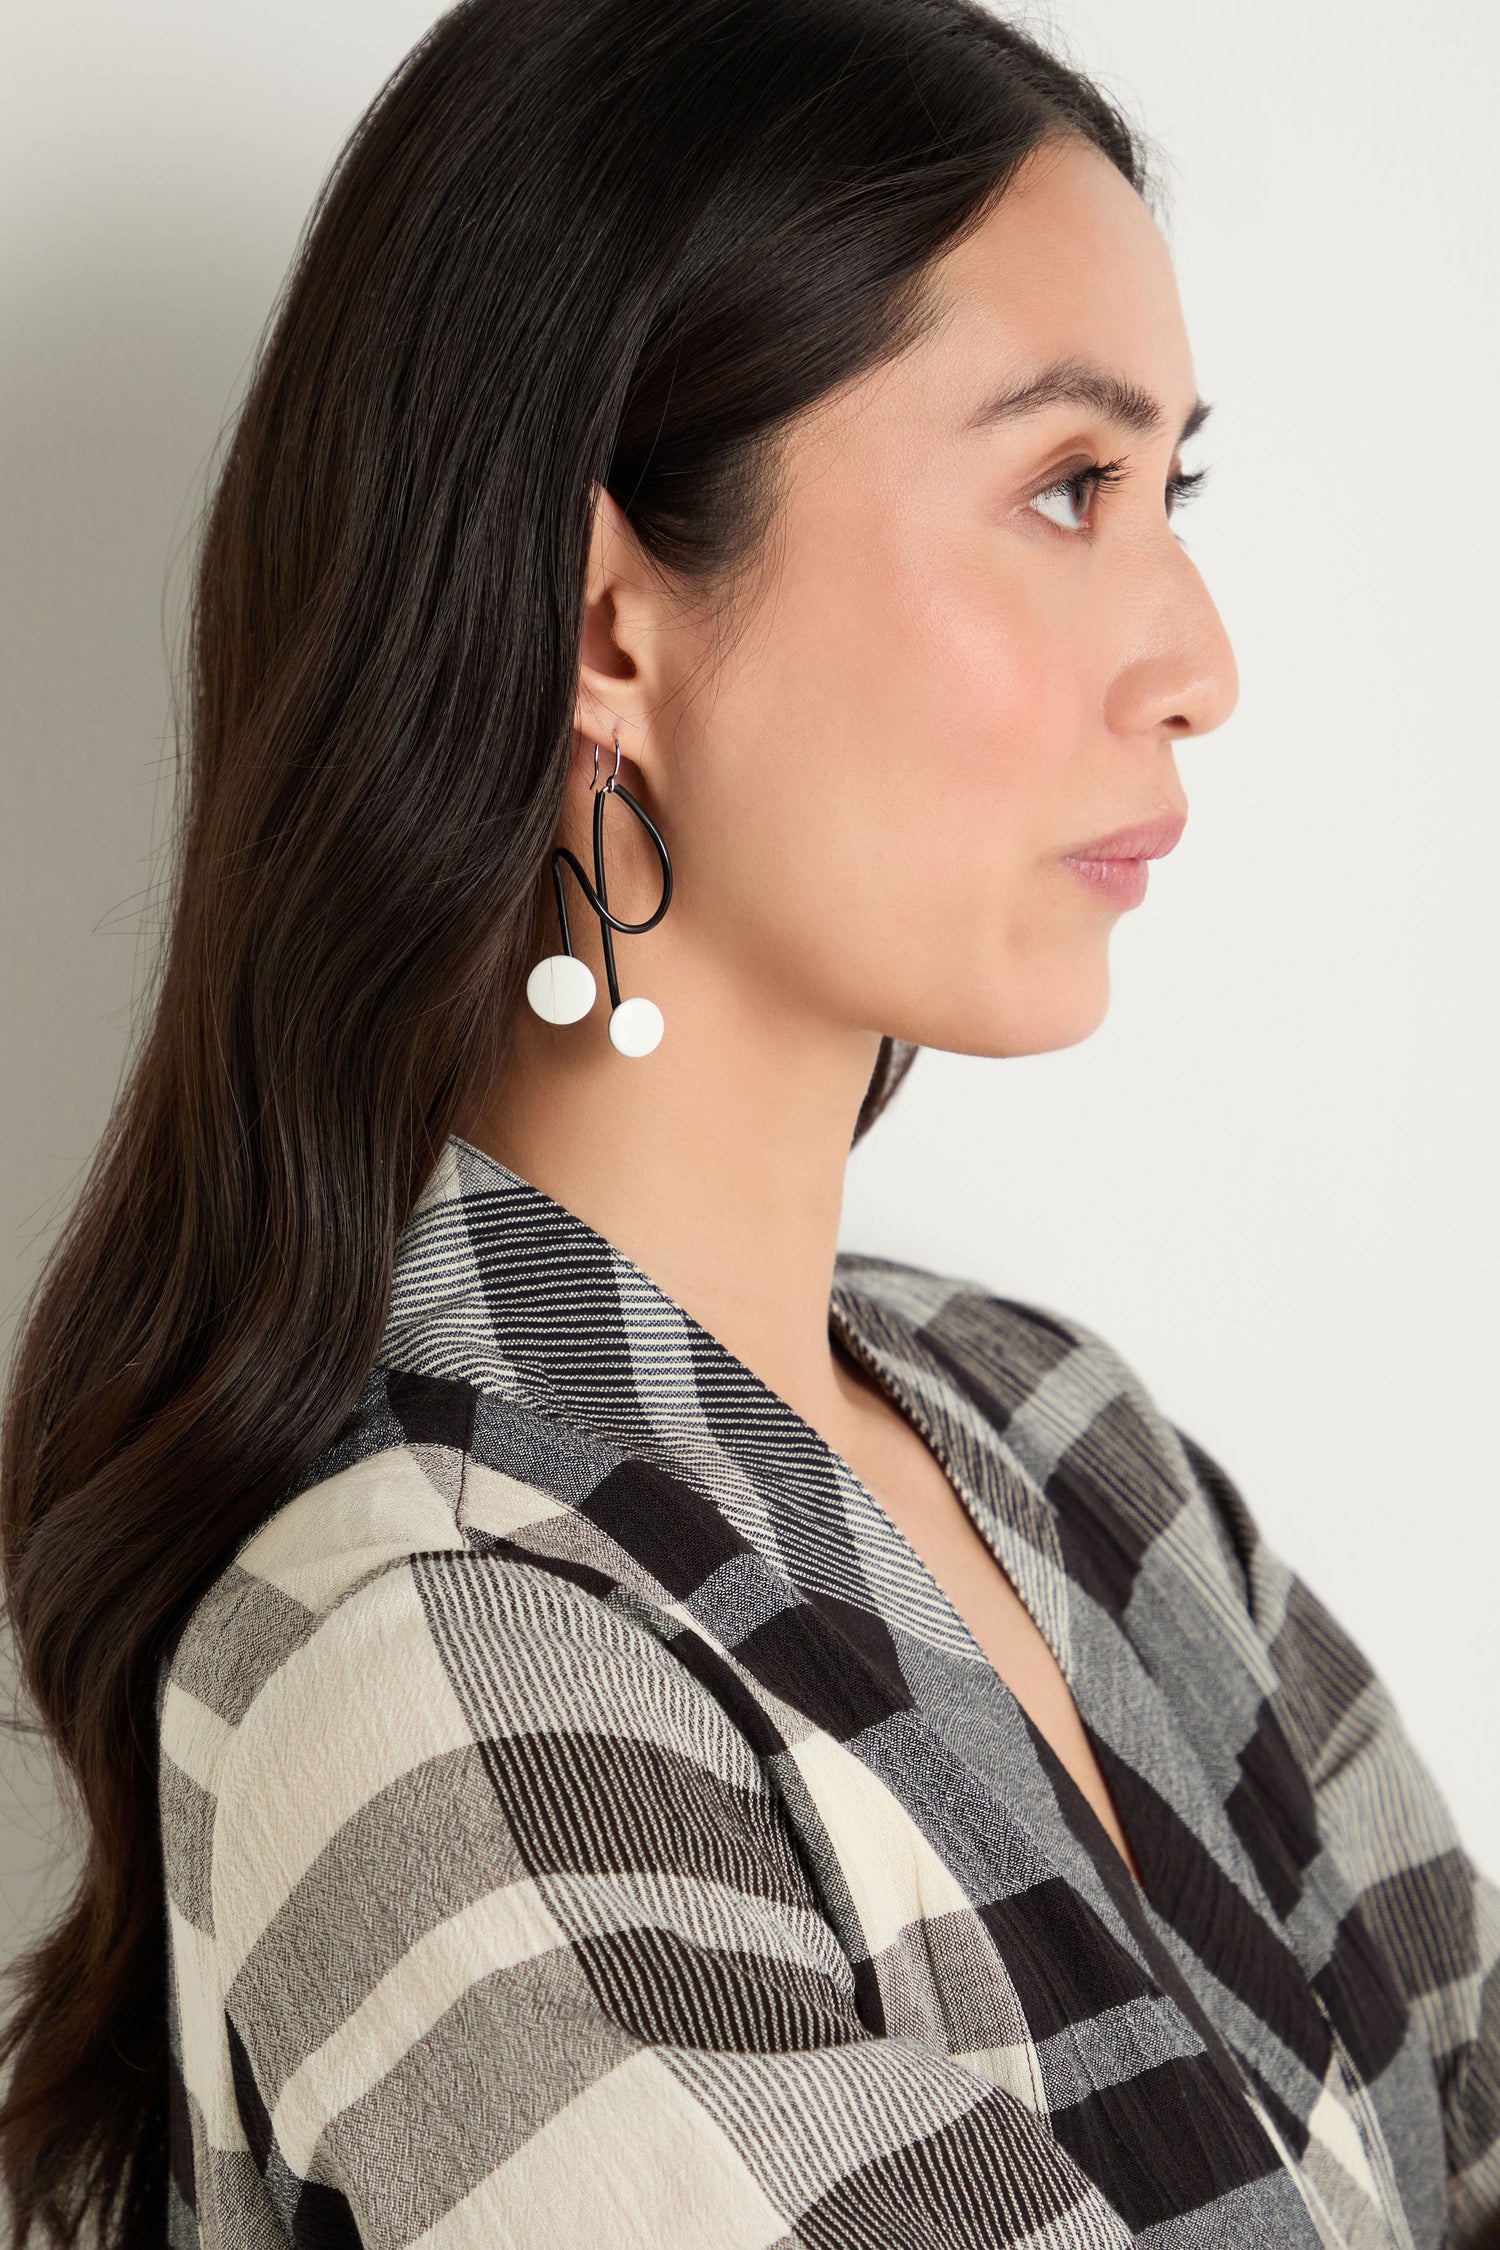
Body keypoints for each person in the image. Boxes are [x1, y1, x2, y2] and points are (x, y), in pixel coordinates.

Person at [2, 0, 1495, 2244]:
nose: (1199, 660)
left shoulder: (1076, 1447)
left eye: (1166, 489)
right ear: (608, 629)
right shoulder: (432, 1647)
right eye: (1066, 488)